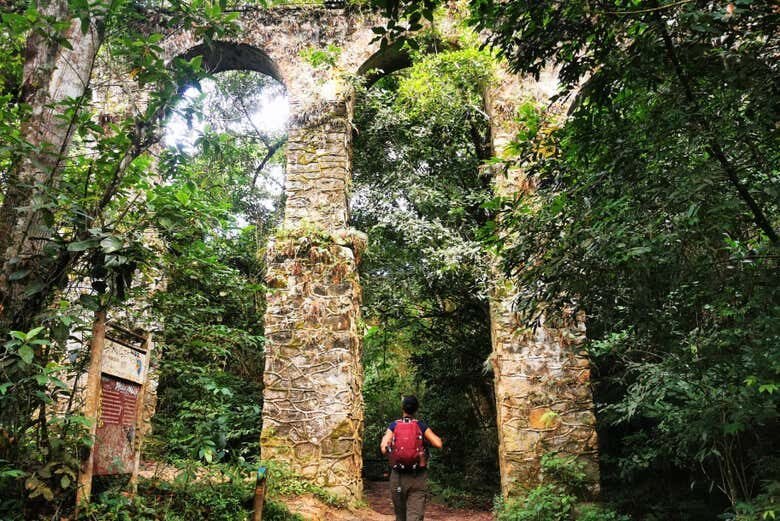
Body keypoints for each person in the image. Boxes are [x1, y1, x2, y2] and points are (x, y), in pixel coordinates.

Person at [380, 395, 443, 521]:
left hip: (397, 477)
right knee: (415, 516)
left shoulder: (393, 426)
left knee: (400, 516)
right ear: (416, 409)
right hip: (418, 477)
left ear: (402, 408)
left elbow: (383, 448)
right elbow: (438, 443)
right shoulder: (421, 426)